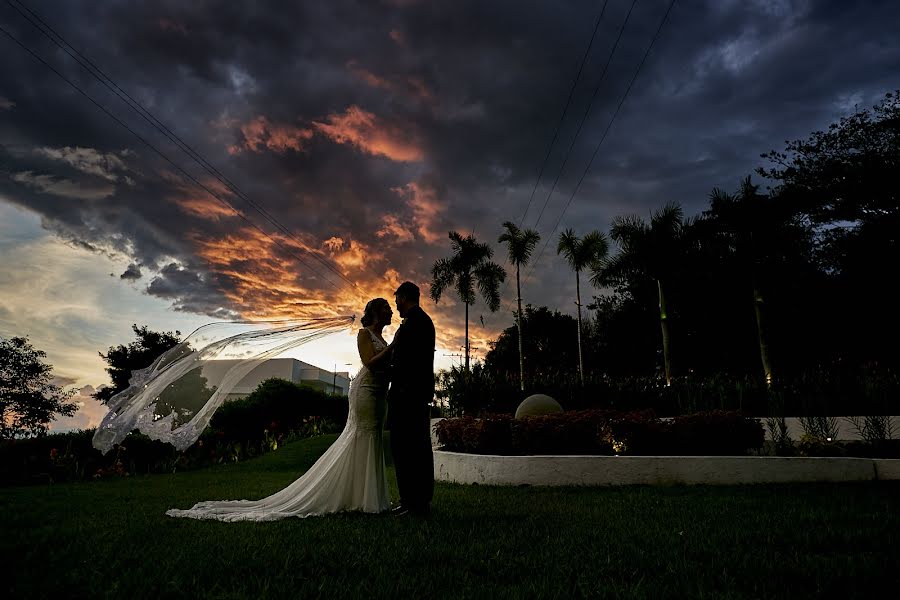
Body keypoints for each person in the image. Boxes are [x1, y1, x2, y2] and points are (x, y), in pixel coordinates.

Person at [165, 298, 395, 521]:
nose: (391, 311)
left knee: (372, 436)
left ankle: (367, 497)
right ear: (375, 312)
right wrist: (396, 346)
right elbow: (370, 362)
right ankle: (363, 499)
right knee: (363, 434)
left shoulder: (382, 339)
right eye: (386, 307)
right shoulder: (364, 334)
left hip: (380, 393)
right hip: (365, 390)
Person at [388, 281, 436, 517]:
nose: (395, 304)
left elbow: (410, 363)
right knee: (409, 448)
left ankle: (416, 503)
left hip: (409, 395)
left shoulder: (418, 323)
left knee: (410, 449)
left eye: (397, 299)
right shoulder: (419, 321)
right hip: (410, 394)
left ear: (405, 297)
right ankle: (410, 501)